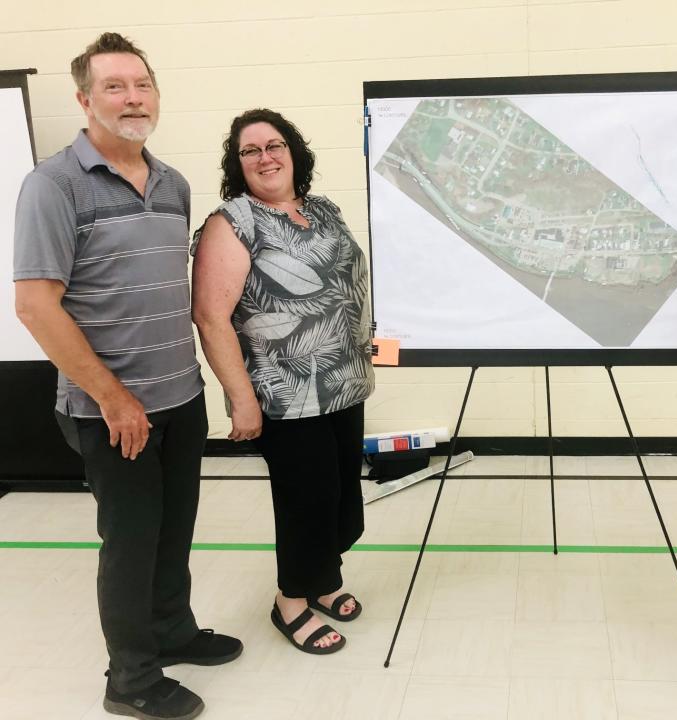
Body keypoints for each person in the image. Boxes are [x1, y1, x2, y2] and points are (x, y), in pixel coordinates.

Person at [13, 32, 242, 720]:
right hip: (111, 411)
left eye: (141, 85)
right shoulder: (52, 185)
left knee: (174, 531)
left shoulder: (172, 183)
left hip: (181, 396)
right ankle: (132, 678)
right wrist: (113, 398)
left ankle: (172, 630)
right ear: (85, 99)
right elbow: (34, 305)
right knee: (131, 542)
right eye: (114, 86)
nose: (131, 97)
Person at [191, 109, 375, 655]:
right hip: (285, 392)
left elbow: (350, 284)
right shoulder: (233, 222)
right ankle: (291, 601)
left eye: (275, 145)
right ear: (237, 163)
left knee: (341, 496)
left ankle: (323, 578)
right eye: (251, 151)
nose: (266, 157)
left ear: (295, 151)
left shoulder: (323, 210)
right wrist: (241, 400)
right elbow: (210, 316)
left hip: (344, 381)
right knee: (306, 500)